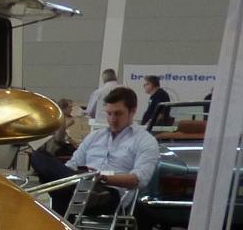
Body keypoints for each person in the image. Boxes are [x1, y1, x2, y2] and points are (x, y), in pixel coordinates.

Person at [28, 86, 160, 217]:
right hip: (80, 184)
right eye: (109, 114)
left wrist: (103, 179)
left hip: (111, 193)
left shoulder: (145, 141)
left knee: (63, 193)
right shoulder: (95, 136)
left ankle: (82, 191)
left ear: (133, 111)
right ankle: (77, 189)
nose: (112, 119)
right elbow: (72, 165)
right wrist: (70, 175)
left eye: (118, 114)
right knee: (38, 156)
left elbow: (138, 179)